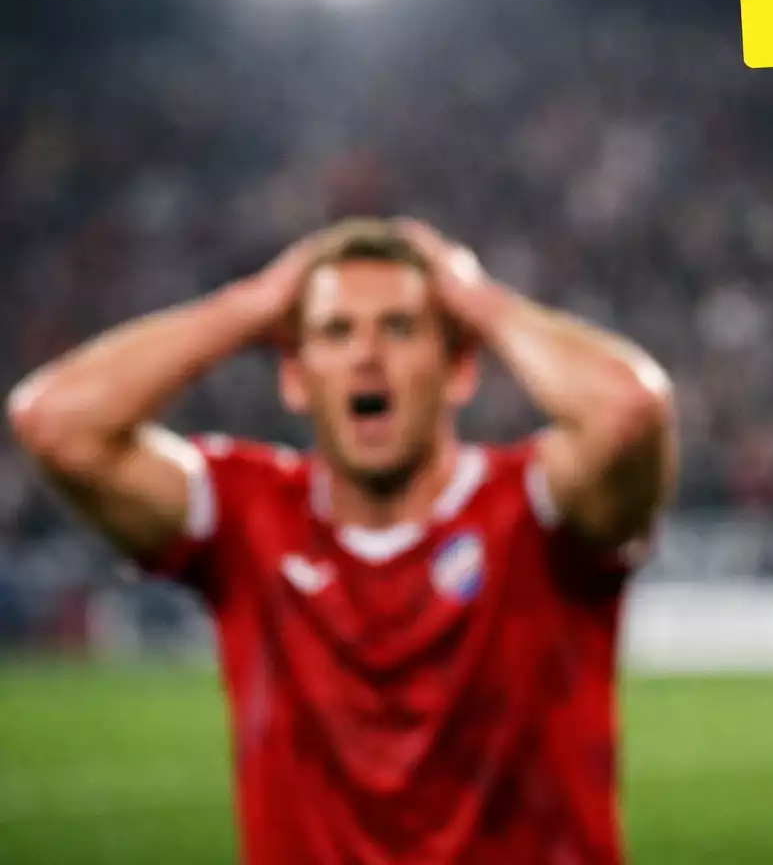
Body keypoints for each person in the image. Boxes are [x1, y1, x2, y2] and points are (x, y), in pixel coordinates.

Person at [7, 217, 676, 864]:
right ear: (295, 376)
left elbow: (628, 412)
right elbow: (54, 422)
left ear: (459, 368)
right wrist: (251, 305)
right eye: (335, 331)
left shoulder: (533, 511)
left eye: (400, 327)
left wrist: (477, 300)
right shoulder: (248, 515)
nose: (366, 355)